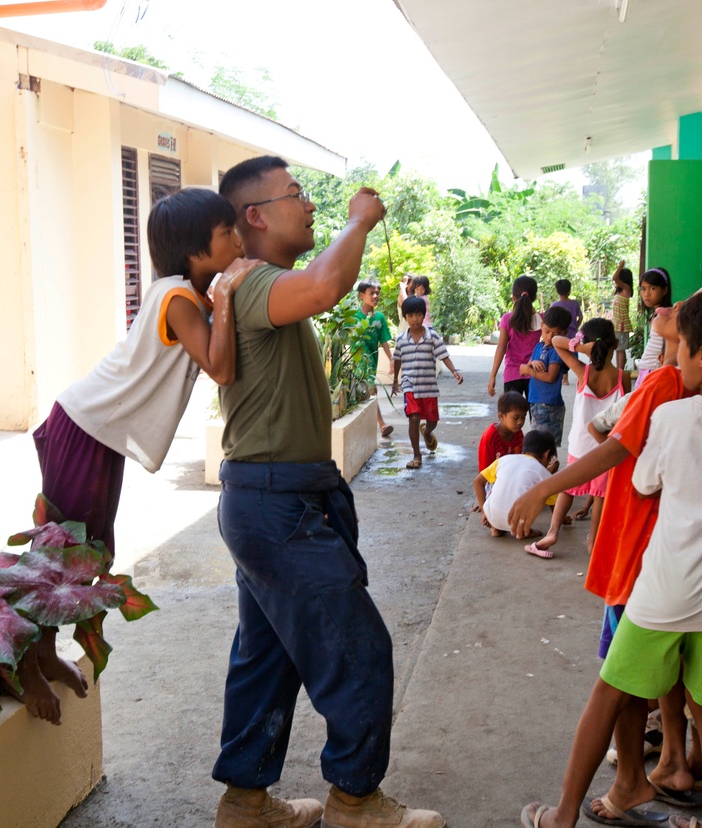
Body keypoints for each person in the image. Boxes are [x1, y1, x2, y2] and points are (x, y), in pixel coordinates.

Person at [518, 207, 702, 828]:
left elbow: (638, 475)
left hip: (666, 593)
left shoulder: (671, 416)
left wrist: (543, 492)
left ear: (698, 357)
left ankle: (563, 814)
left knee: (609, 693)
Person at [214, 155, 444, 828]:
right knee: (358, 647)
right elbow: (324, 288)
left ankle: (245, 802)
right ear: (255, 216)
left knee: (270, 657)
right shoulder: (256, 284)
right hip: (276, 501)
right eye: (297, 195)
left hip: (279, 496)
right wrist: (360, 221)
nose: (310, 205)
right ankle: (355, 800)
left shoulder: (254, 285)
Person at [28, 187, 256, 726]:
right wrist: (226, 296)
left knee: (91, 550)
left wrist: (221, 296)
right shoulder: (178, 300)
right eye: (227, 234)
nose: (238, 240)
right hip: (83, 427)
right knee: (63, 550)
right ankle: (27, 660)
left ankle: (42, 650)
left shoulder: (184, 295)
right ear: (195, 252)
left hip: (95, 434)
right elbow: (220, 368)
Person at [524, 318, 623, 558]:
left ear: (588, 344)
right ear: (614, 344)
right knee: (600, 494)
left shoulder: (583, 371)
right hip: (604, 445)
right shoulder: (622, 377)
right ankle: (593, 540)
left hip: (580, 443)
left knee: (567, 488)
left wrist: (579, 348)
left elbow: (557, 341)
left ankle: (553, 532)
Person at [392, 295, 463, 470]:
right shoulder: (401, 340)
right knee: (413, 418)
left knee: (432, 421)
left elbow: (443, 355)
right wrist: (395, 381)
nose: (414, 319)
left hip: (429, 387)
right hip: (410, 386)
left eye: (418, 314)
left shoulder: (432, 337)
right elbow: (397, 360)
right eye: (410, 315)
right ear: (405, 317)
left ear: (424, 315)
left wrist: (454, 371)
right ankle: (417, 455)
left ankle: (428, 431)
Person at [472, 429, 557, 538]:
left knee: (496, 483)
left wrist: (485, 512)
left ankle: (496, 528)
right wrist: (562, 520)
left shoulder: (504, 459)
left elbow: (477, 481)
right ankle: (524, 530)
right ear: (546, 454)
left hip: (490, 516)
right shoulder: (543, 473)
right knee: (542, 494)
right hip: (517, 522)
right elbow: (554, 504)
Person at [522, 305, 571, 446]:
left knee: (546, 448)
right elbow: (528, 363)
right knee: (539, 446)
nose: (550, 337)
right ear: (542, 325)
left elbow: (550, 377)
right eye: (547, 331)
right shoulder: (540, 346)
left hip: (549, 406)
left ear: (565, 333)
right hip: (536, 402)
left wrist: (529, 370)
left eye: (555, 334)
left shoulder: (557, 350)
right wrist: (532, 363)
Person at [488, 275, 542, 399]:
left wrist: (493, 376)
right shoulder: (541, 320)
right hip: (534, 373)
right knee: (535, 416)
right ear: (534, 298)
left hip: (512, 374)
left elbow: (501, 347)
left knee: (512, 416)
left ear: (513, 297)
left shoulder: (507, 319)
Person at [354, 279, 395, 438]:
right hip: (356, 361)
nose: (376, 296)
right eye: (372, 293)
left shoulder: (380, 318)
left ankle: (367, 427)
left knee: (366, 392)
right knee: (371, 389)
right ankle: (381, 424)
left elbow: (384, 341)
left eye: (378, 293)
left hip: (372, 362)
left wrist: (391, 359)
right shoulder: (353, 317)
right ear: (362, 295)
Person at [633, 267, 673, 390]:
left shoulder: (665, 315)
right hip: (647, 370)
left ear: (665, 290)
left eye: (652, 288)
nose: (646, 294)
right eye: (643, 289)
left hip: (653, 372)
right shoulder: (656, 314)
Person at [478, 391, 529, 471]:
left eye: (523, 417)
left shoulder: (518, 433)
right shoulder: (490, 437)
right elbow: (484, 472)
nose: (520, 422)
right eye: (516, 418)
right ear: (501, 416)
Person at [611, 260, 633, 371]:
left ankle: (620, 370)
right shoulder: (620, 291)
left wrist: (620, 266)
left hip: (622, 325)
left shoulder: (626, 289)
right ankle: (619, 370)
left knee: (621, 349)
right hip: (616, 325)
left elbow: (614, 278)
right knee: (618, 349)